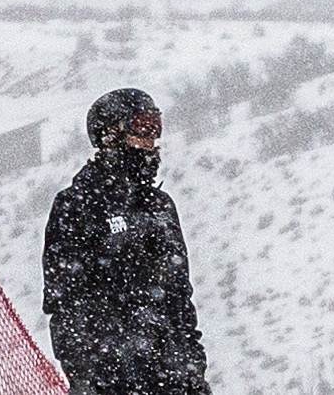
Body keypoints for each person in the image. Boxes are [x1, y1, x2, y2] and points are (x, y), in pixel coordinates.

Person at [40, 89, 208, 395]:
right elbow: (65, 306)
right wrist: (90, 378)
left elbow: (180, 300)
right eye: (141, 127)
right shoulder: (76, 206)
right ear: (110, 136)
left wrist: (193, 371)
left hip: (171, 379)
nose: (150, 140)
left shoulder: (161, 207)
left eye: (155, 127)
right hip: (112, 378)